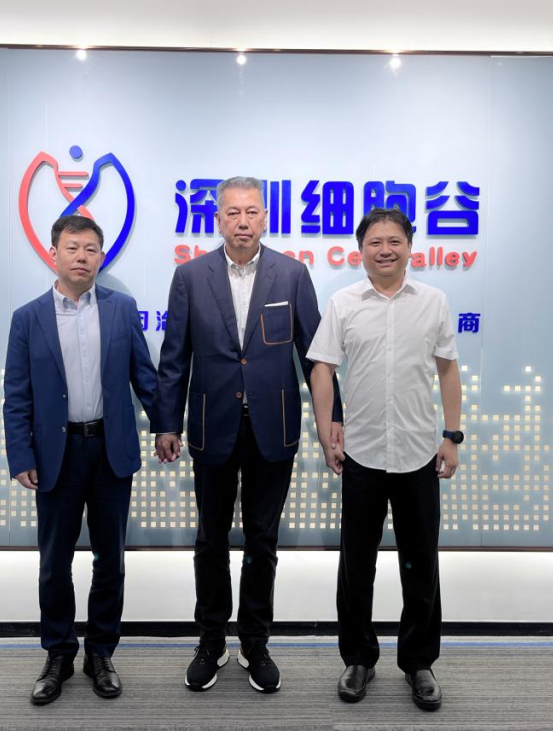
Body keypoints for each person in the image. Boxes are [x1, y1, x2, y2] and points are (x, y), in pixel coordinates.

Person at [152, 176, 342, 694]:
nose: (242, 221)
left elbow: (316, 357)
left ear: (265, 218)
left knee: (262, 540)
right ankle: (211, 641)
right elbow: (175, 356)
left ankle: (255, 643)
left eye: (251, 212)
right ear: (218, 219)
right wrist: (167, 422)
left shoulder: (292, 274)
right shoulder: (191, 276)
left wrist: (333, 422)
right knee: (210, 540)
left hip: (272, 427)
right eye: (232, 212)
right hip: (211, 424)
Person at [307, 207, 463, 712]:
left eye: (394, 241)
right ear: (361, 251)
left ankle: (419, 662)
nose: (385, 250)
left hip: (418, 454)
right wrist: (327, 430)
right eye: (375, 242)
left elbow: (448, 370)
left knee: (421, 565)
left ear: (410, 247)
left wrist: (452, 436)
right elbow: (323, 369)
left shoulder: (433, 302)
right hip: (363, 453)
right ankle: (358, 658)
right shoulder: (344, 303)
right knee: (357, 565)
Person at [3, 214, 156, 705]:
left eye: (91, 249)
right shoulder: (28, 318)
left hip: (110, 450)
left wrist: (166, 426)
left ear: (101, 256)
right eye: (73, 248)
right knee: (54, 563)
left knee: (110, 560)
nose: (82, 257)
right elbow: (16, 395)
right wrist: (20, 454)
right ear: (54, 253)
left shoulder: (121, 309)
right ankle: (58, 653)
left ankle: (101, 652)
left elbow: (144, 376)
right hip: (57, 454)